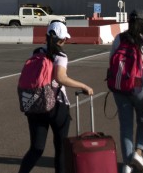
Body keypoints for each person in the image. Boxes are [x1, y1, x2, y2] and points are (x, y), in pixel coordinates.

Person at [18, 21, 94, 173]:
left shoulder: (37, 52)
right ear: (62, 39)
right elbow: (60, 78)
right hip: (57, 106)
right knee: (60, 149)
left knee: (36, 148)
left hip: (36, 104)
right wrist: (83, 86)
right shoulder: (60, 55)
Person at [111, 13, 143, 172]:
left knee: (125, 126)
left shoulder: (119, 38)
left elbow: (112, 61)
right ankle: (138, 152)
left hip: (119, 87)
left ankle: (127, 165)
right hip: (139, 87)